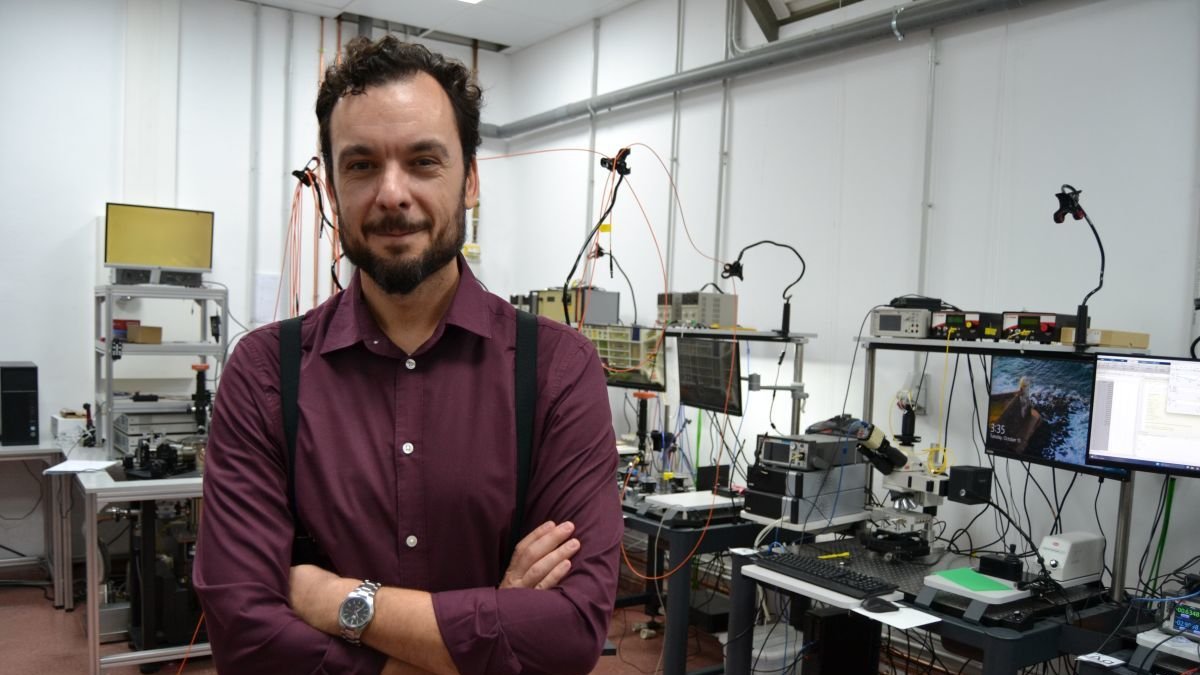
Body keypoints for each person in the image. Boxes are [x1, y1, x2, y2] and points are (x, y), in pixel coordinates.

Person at [194, 35, 622, 675]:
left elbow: (570, 634)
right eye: (362, 165)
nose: (392, 194)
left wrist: (335, 599)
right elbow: (246, 637)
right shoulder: (262, 374)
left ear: (470, 180)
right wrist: (489, 628)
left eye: (424, 161)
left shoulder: (558, 368)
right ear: (333, 190)